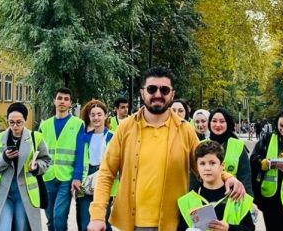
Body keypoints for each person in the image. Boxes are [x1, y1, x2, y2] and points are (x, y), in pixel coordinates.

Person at [87, 66, 246, 231]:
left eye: (164, 90)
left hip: (173, 223)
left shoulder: (185, 130)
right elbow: (106, 173)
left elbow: (204, 163)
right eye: (151, 89)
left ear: (172, 94)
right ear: (142, 93)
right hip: (128, 223)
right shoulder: (125, 128)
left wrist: (228, 178)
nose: (158, 94)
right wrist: (98, 216)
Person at [0, 102, 51, 231]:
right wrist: (4, 158)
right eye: (11, 122)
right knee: (3, 227)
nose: (15, 126)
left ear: (25, 120)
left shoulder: (35, 137)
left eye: (19, 122)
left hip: (25, 193)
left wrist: (36, 167)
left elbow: (46, 160)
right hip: (3, 192)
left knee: (21, 227)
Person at [177, 141, 255, 231]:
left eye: (212, 163)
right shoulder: (187, 201)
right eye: (202, 163)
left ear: (222, 165)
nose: (207, 168)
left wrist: (229, 228)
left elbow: (250, 228)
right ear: (197, 167)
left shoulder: (238, 196)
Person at [38, 88, 85, 231]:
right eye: (59, 98)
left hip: (66, 177)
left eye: (66, 99)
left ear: (70, 103)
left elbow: (80, 153)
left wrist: (77, 177)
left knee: (59, 217)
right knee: (50, 219)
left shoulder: (78, 124)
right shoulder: (44, 125)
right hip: (48, 177)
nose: (62, 101)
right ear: (54, 101)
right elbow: (38, 153)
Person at [73, 100, 116, 231]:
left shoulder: (113, 137)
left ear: (105, 115)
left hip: (104, 180)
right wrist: (76, 178)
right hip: (86, 180)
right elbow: (79, 159)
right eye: (93, 115)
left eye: (99, 114)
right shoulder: (83, 137)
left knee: (103, 220)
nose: (96, 117)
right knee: (85, 221)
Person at [207, 108, 253, 196]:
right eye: (214, 121)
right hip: (207, 199)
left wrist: (249, 203)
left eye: (222, 121)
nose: (218, 124)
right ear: (209, 123)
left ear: (228, 123)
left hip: (233, 199)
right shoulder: (201, 145)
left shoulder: (238, 146)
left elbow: (245, 178)